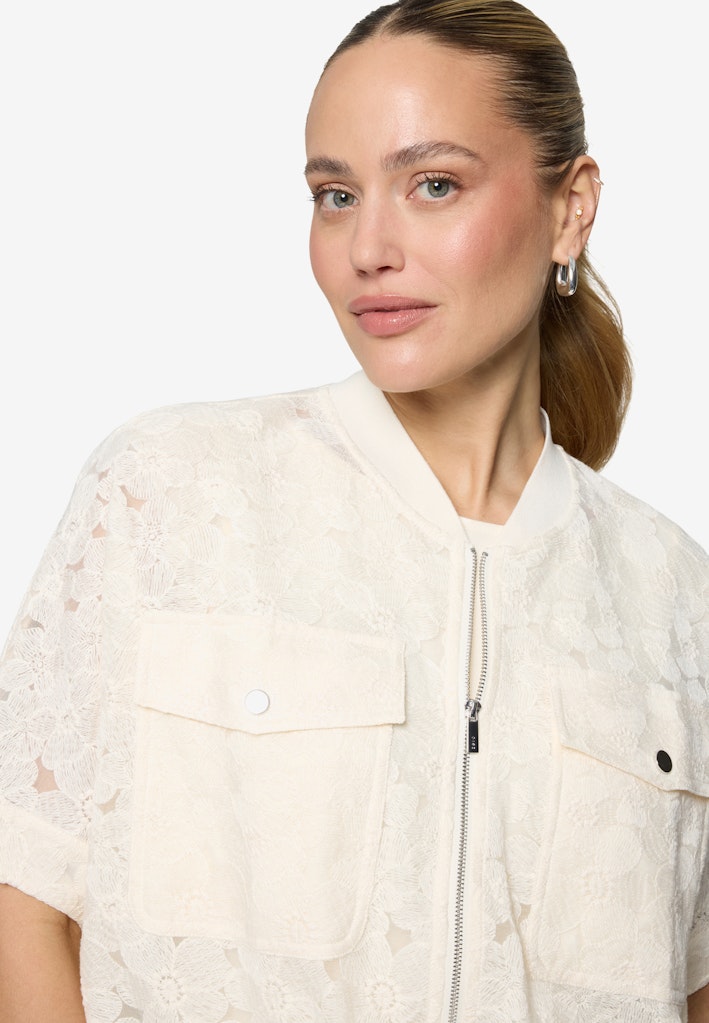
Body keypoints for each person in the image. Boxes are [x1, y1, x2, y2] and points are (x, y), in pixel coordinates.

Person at [0, 0, 707, 1020]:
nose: (367, 247)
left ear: (570, 208)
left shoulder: (672, 594)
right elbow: (23, 899)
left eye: (433, 184)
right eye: (335, 195)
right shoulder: (171, 494)